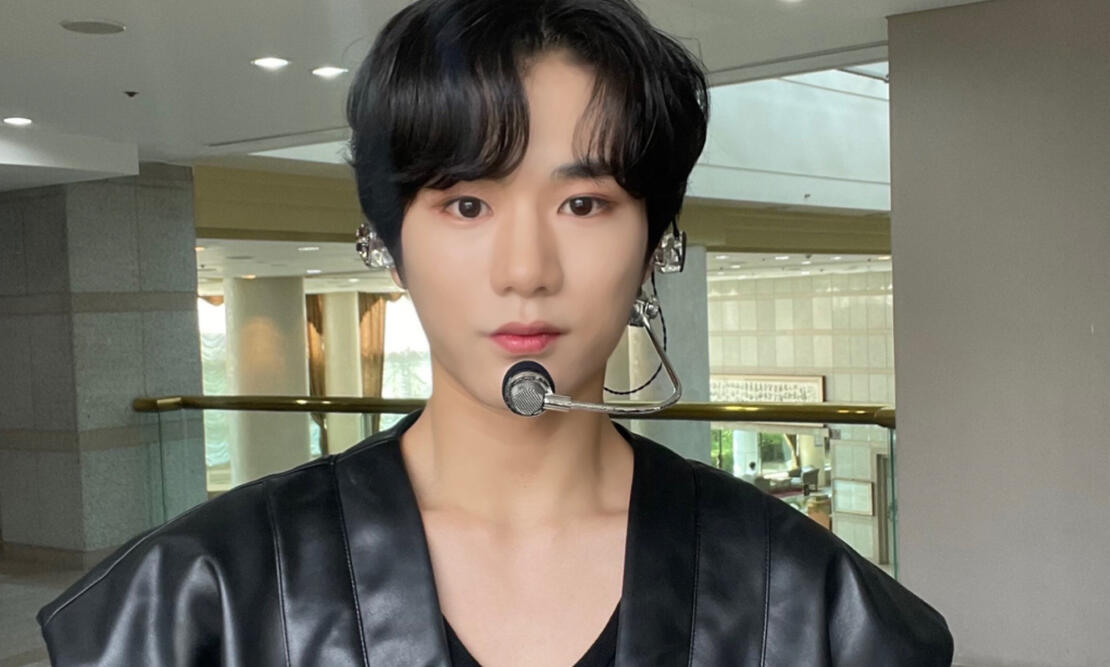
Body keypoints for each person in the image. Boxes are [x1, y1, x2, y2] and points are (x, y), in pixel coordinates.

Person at [37, 0, 954, 664]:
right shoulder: (197, 596)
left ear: (654, 245)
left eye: (584, 203)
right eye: (467, 202)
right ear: (391, 244)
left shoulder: (812, 604)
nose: (526, 268)